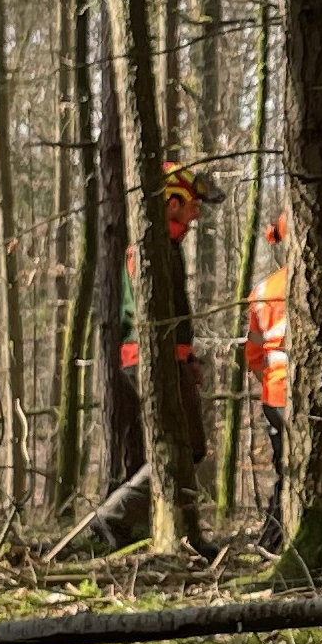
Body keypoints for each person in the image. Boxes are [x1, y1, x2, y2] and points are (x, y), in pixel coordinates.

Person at [93, 161, 212, 546]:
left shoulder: (169, 248)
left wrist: (188, 359)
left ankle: (176, 528)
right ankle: (115, 514)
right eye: (192, 205)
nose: (196, 214)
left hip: (167, 359)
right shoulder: (148, 250)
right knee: (180, 447)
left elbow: (177, 315)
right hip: (149, 359)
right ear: (172, 203)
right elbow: (156, 316)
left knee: (187, 447)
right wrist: (178, 358)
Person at [244, 211, 290, 547]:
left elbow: (253, 355)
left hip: (273, 395)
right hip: (293, 395)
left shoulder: (262, 290)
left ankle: (273, 539)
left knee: (285, 470)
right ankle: (274, 539)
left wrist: (269, 382)